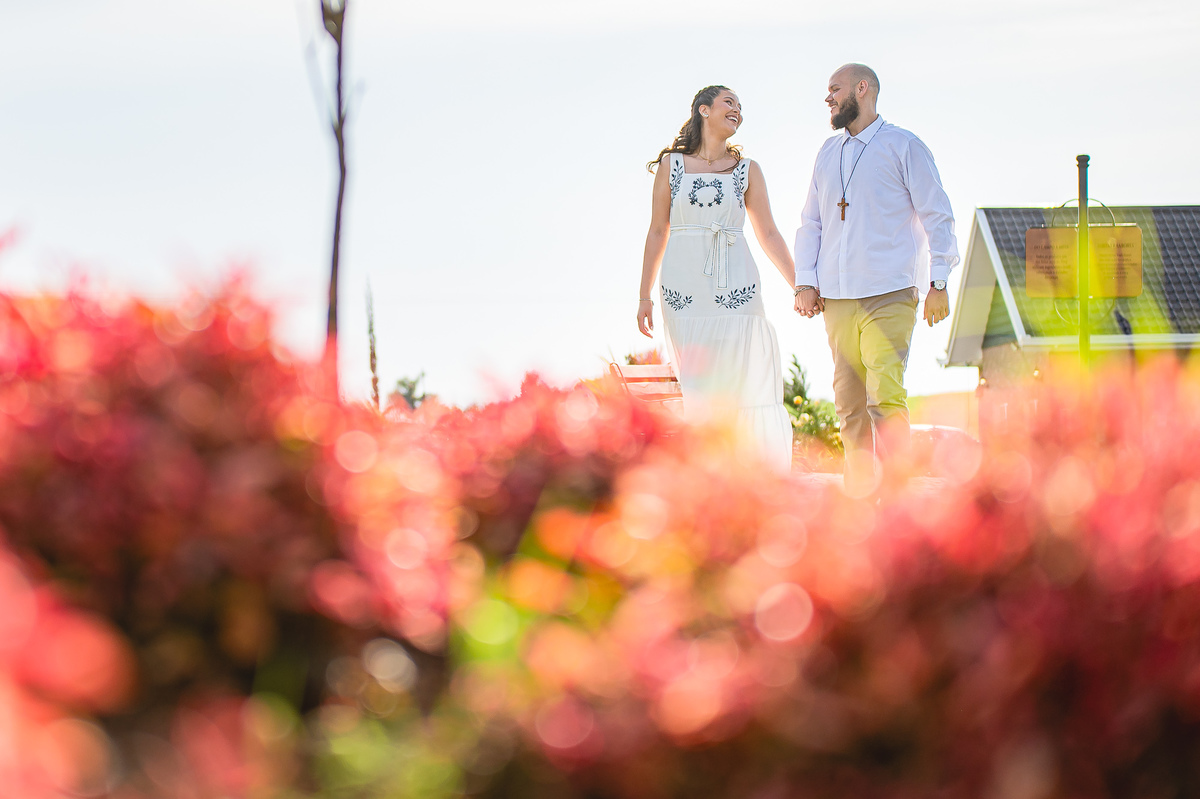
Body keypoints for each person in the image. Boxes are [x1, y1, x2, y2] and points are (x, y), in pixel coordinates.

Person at [793, 64, 959, 489]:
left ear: (862, 89)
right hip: (837, 297)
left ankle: (898, 497)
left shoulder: (904, 146)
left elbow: (937, 215)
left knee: (884, 396)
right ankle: (860, 500)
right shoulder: (827, 153)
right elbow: (811, 222)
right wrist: (806, 281)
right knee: (849, 404)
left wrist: (938, 283)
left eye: (835, 89)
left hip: (890, 292)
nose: (828, 98)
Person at [637, 85, 796, 470]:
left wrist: (801, 284)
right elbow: (658, 230)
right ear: (703, 110)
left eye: (741, 106)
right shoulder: (672, 166)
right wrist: (644, 296)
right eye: (730, 103)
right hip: (683, 290)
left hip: (737, 286)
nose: (738, 110)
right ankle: (710, 475)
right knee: (701, 383)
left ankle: (752, 473)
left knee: (745, 378)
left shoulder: (747, 171)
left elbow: (769, 233)